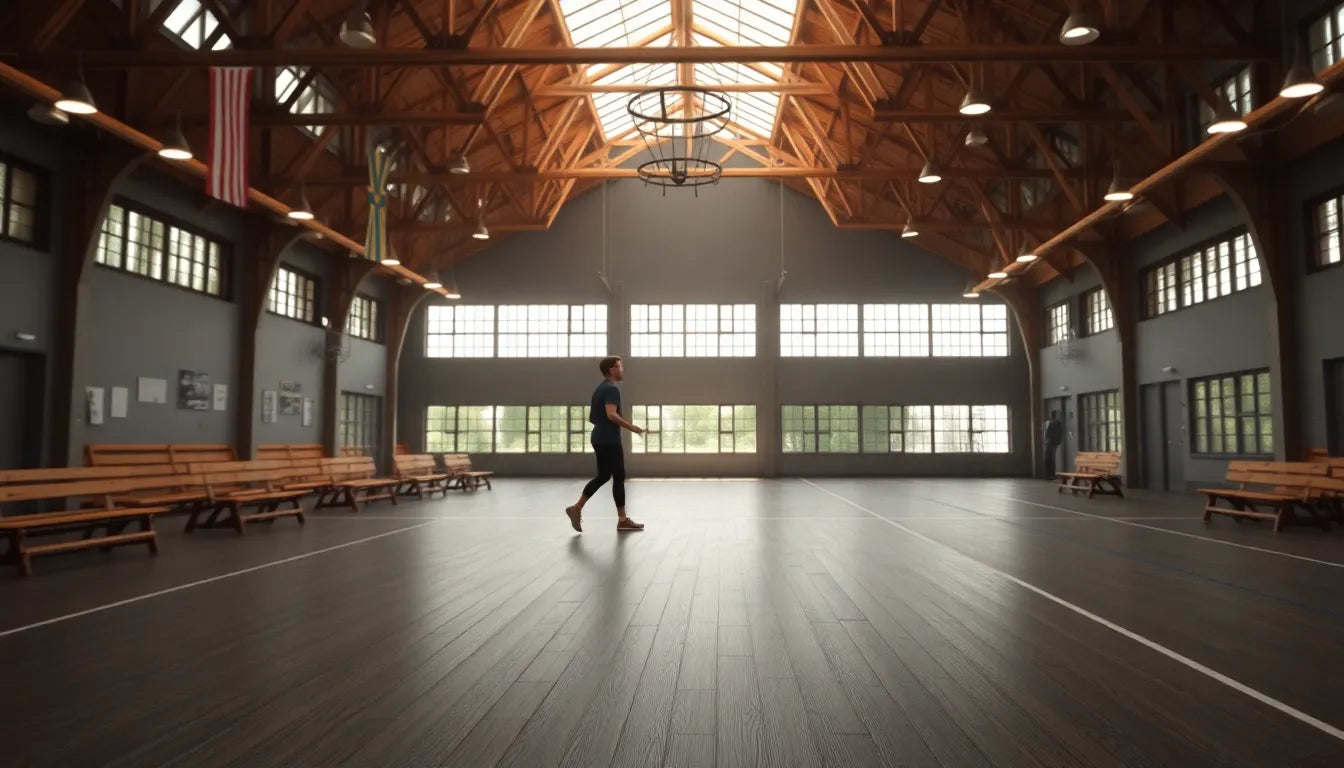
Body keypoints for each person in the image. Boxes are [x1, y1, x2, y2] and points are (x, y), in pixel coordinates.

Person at [565, 356, 645, 533]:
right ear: (611, 370)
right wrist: (632, 427)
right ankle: (622, 520)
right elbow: (611, 414)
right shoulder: (611, 388)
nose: (622, 369)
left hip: (599, 437)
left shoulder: (600, 388)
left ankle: (576, 508)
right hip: (608, 439)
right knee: (618, 476)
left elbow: (594, 417)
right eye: (619, 367)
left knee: (603, 476)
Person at [1043, 410, 1064, 479]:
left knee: (1049, 459)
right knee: (1051, 458)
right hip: (1052, 443)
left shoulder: (1051, 423)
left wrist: (1047, 441)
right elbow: (1060, 433)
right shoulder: (1056, 423)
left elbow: (1047, 433)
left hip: (1050, 443)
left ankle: (1049, 474)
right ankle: (1051, 474)